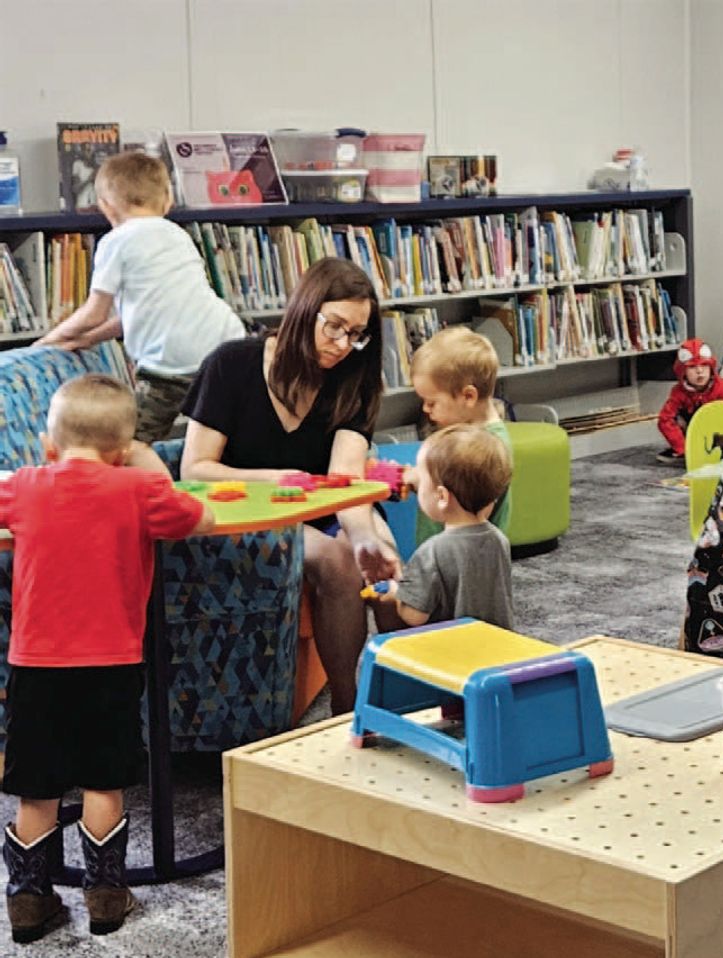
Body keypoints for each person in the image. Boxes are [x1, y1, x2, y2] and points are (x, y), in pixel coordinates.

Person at [0, 375, 213, 943]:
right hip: (112, 663)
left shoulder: (25, 485)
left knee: (38, 786)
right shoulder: (138, 490)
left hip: (34, 664)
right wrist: (145, 466)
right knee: (103, 778)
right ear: (122, 451)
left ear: (49, 444)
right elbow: (197, 517)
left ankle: (28, 899)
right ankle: (105, 895)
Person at [179, 257, 399, 715]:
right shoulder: (232, 364)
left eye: (357, 335)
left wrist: (363, 536)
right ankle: (347, 703)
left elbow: (345, 479)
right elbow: (195, 468)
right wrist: (273, 479)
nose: (343, 345)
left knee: (388, 562)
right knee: (337, 561)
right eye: (334, 327)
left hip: (322, 508)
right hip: (250, 511)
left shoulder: (353, 379)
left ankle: (406, 698)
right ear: (304, 309)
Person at [36, 151, 247, 442]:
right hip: (226, 348)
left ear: (106, 207)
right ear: (168, 199)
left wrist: (49, 339)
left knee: (128, 443)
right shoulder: (178, 235)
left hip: (169, 367)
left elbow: (95, 312)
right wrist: (88, 339)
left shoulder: (115, 242)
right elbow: (141, 313)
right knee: (224, 437)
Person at [376, 425, 514, 630]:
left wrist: (393, 593)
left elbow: (415, 615)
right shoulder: (499, 540)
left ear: (442, 497)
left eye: (422, 481)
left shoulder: (432, 552)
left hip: (451, 652)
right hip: (497, 645)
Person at [409, 327, 512, 546]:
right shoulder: (466, 435)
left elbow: (470, 515)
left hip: (459, 560)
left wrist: (422, 481)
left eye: (432, 402)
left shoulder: (484, 447)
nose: (426, 409)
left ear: (468, 396)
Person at [656, 338, 723, 463]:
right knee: (674, 418)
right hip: (692, 431)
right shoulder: (678, 392)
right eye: (692, 367)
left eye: (704, 365)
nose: (699, 371)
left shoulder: (721, 387)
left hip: (715, 428)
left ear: (711, 367)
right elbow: (665, 419)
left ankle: (719, 450)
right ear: (682, 372)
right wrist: (682, 448)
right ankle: (686, 449)